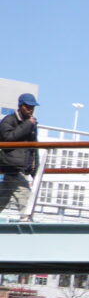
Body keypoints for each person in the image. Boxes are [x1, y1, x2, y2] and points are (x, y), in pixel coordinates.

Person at [0, 92, 40, 221]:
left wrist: (36, 171)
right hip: (11, 167)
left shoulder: (31, 124)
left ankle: (26, 221)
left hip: (20, 169)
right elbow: (7, 139)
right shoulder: (9, 120)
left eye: (32, 107)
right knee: (26, 199)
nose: (31, 109)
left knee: (3, 196)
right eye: (28, 106)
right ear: (20, 106)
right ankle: (26, 225)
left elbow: (34, 148)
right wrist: (28, 125)